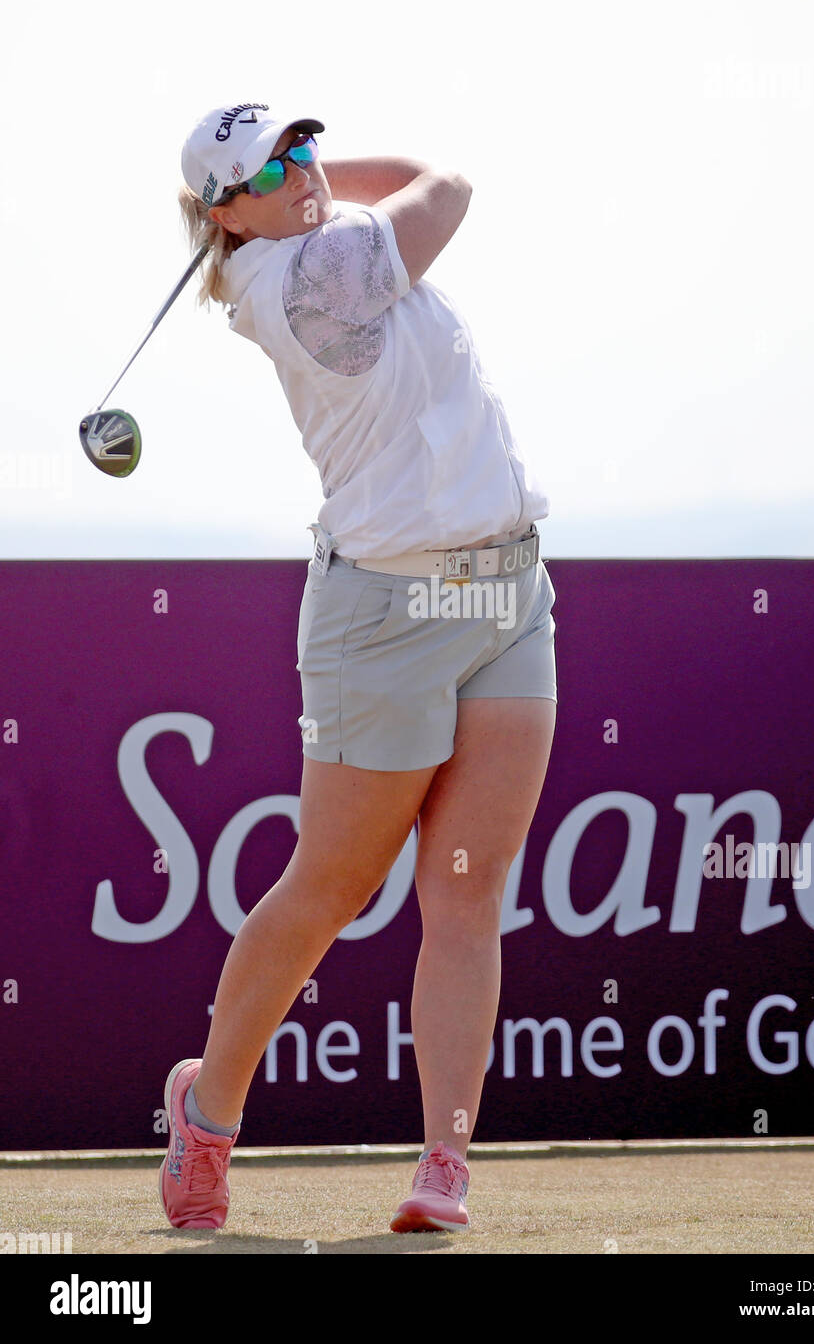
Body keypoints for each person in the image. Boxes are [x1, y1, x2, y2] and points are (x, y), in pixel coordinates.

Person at [160, 101, 557, 1234]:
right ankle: (208, 1116)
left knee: (468, 890)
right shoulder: (307, 274)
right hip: (385, 614)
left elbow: (398, 192)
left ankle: (443, 1160)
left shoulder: (297, 240)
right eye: (273, 165)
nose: (303, 167)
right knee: (330, 889)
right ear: (226, 215)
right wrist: (326, 184)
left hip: (504, 594)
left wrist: (307, 171)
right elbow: (449, 183)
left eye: (303, 144)